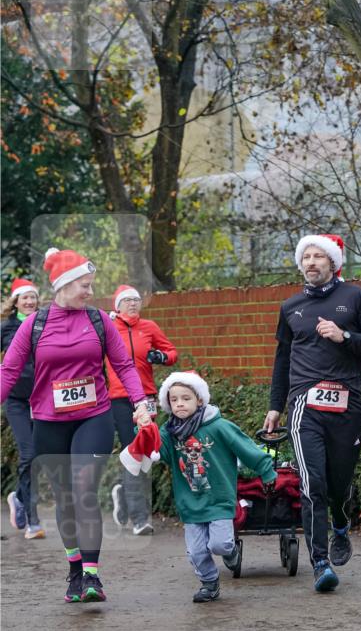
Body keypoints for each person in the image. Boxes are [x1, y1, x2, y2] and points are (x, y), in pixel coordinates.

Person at [0, 248, 151, 603]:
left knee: (84, 490)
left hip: (93, 416)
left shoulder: (98, 320)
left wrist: (141, 403)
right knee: (66, 498)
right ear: (64, 285)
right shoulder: (35, 325)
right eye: (85, 285)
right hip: (48, 422)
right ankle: (74, 569)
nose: (90, 291)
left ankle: (92, 575)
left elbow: (124, 365)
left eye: (90, 285)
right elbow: (9, 371)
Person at [263, 233, 361, 593]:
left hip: (348, 404)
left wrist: (344, 336)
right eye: (306, 257)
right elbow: (282, 360)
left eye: (319, 256)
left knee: (338, 483)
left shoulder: (356, 298)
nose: (312, 262)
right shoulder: (291, 307)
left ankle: (341, 523)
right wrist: (276, 406)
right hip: (304, 405)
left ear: (333, 263)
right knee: (312, 482)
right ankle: (320, 563)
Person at [121, 371, 277, 603]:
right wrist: (144, 429)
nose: (180, 404)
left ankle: (231, 551)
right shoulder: (170, 433)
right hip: (190, 501)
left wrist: (266, 470)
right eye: (174, 399)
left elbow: (245, 447)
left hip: (219, 497)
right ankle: (209, 583)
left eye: (186, 398)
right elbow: (156, 449)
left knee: (220, 544)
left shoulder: (219, 426)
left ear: (200, 400)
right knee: (196, 552)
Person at [107, 284, 179, 536]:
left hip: (146, 397)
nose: (133, 304)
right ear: (117, 306)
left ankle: (122, 493)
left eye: (136, 300)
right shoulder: (109, 328)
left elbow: (172, 352)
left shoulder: (149, 327)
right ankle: (139, 518)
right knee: (133, 449)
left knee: (146, 449)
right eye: (127, 300)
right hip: (119, 398)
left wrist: (161, 357)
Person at [1, 278, 45, 539]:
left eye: (33, 297)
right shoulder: (6, 328)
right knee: (29, 455)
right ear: (15, 301)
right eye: (24, 297)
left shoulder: (45, 324)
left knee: (40, 456)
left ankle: (18, 496)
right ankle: (33, 521)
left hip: (43, 400)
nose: (29, 301)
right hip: (17, 401)